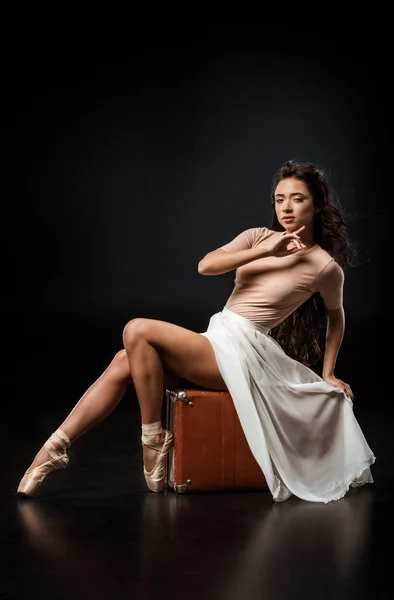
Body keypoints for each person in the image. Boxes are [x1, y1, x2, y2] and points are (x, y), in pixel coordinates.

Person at [17, 159, 376, 503]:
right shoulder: (257, 237)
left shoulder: (324, 266)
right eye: (280, 199)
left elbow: (337, 317)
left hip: (246, 353)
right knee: (122, 361)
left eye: (298, 199)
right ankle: (54, 449)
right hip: (219, 336)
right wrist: (264, 249)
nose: (287, 208)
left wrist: (328, 372)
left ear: (316, 204)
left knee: (136, 329)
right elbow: (207, 265)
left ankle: (152, 439)